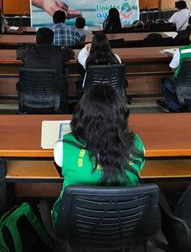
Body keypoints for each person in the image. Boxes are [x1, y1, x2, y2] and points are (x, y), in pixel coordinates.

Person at [52, 84, 145, 226]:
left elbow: (64, 166)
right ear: (121, 116)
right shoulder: (137, 144)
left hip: (75, 225)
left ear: (82, 114)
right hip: (125, 224)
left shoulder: (63, 147)